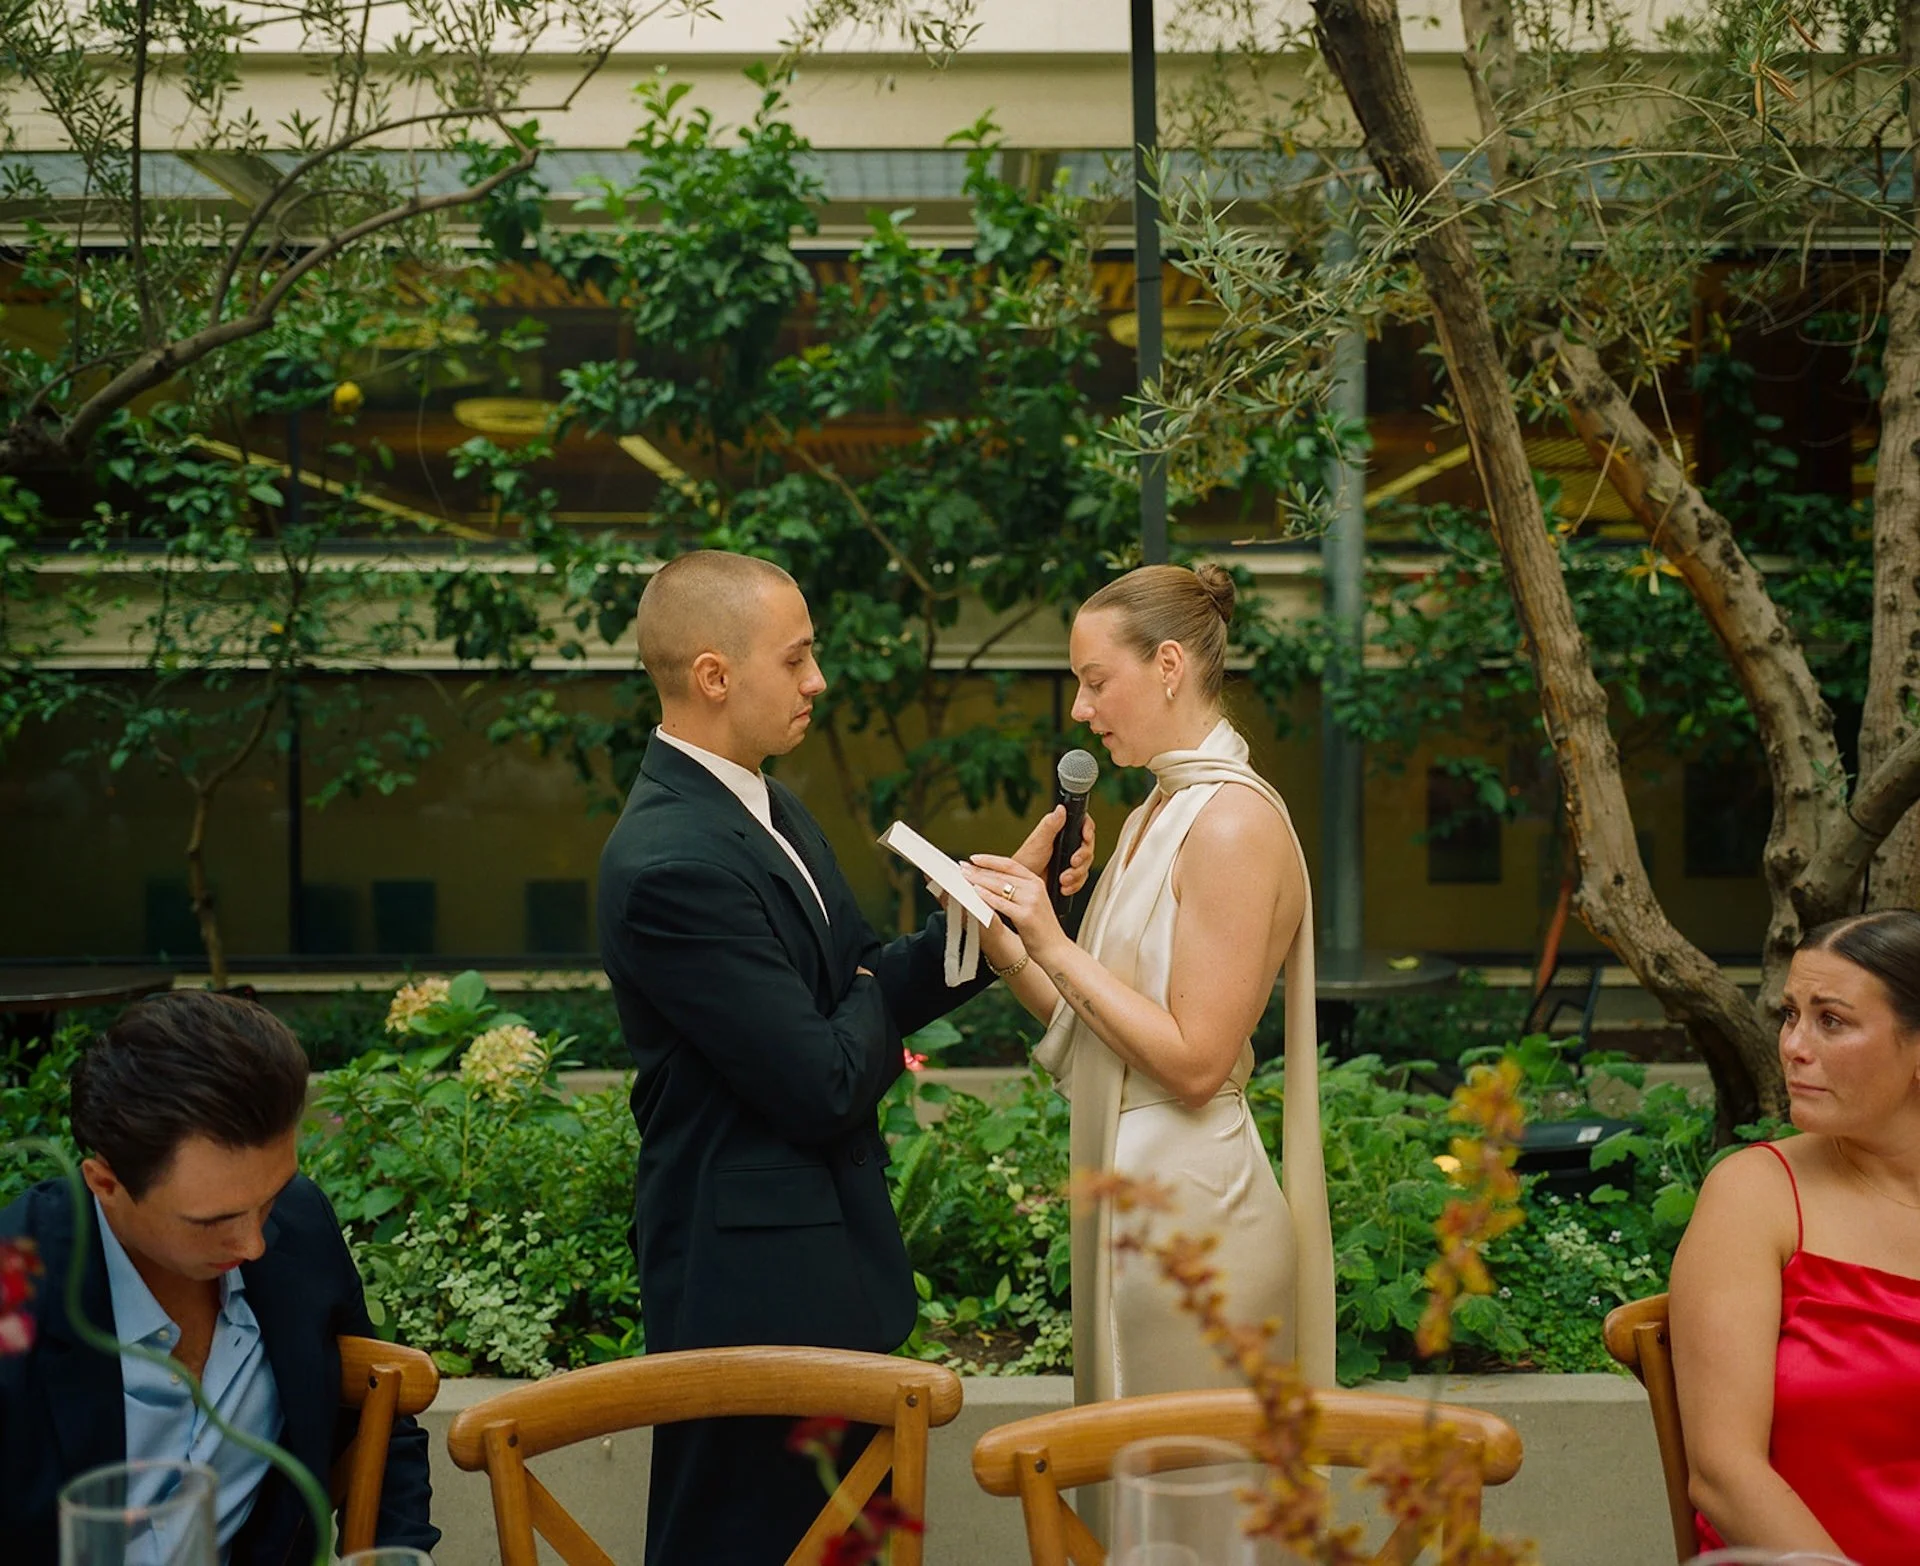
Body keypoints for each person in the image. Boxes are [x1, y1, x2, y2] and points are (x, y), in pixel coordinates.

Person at [597, 549, 1090, 1566]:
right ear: (714, 675)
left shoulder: (769, 805)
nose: (819, 681)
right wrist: (865, 997)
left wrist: (1013, 912)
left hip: (820, 1273)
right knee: (749, 1543)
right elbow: (820, 1081)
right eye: (799, 657)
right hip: (746, 1289)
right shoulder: (670, 861)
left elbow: (863, 974)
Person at [961, 561, 1336, 1404]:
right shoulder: (1150, 814)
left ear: (1169, 666)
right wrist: (1007, 938)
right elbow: (1095, 1024)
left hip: (1196, 1219)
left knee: (1188, 1517)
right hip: (1134, 1208)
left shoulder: (1232, 823)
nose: (1080, 710)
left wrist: (1055, 941)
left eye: (1095, 682)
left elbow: (1196, 1062)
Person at [0, 989, 437, 1565]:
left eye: (269, 1199)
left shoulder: (299, 1225)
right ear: (105, 1183)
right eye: (214, 1221)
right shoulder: (18, 1287)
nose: (254, 1244)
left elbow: (378, 1432)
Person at [1670, 908, 1920, 1564]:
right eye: (1790, 1015)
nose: (1793, 1046)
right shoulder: (1755, 1197)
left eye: (1830, 1020)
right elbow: (1724, 1474)